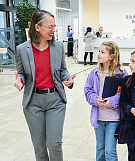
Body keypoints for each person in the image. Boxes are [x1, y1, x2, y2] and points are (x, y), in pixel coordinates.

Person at [14, 10, 75, 161]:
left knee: (54, 144)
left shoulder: (58, 47)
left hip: (55, 100)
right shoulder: (22, 49)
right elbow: (20, 73)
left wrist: (68, 80)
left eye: (54, 27)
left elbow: (63, 71)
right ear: (37, 27)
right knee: (39, 146)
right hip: (33, 102)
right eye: (50, 27)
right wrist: (19, 80)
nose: (53, 30)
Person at [84, 41, 128, 161]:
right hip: (98, 118)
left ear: (112, 56)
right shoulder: (94, 73)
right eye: (99, 51)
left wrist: (112, 101)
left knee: (110, 152)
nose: (98, 54)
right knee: (100, 149)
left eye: (102, 52)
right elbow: (88, 90)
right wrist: (95, 99)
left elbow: (124, 93)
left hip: (113, 119)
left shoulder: (122, 74)